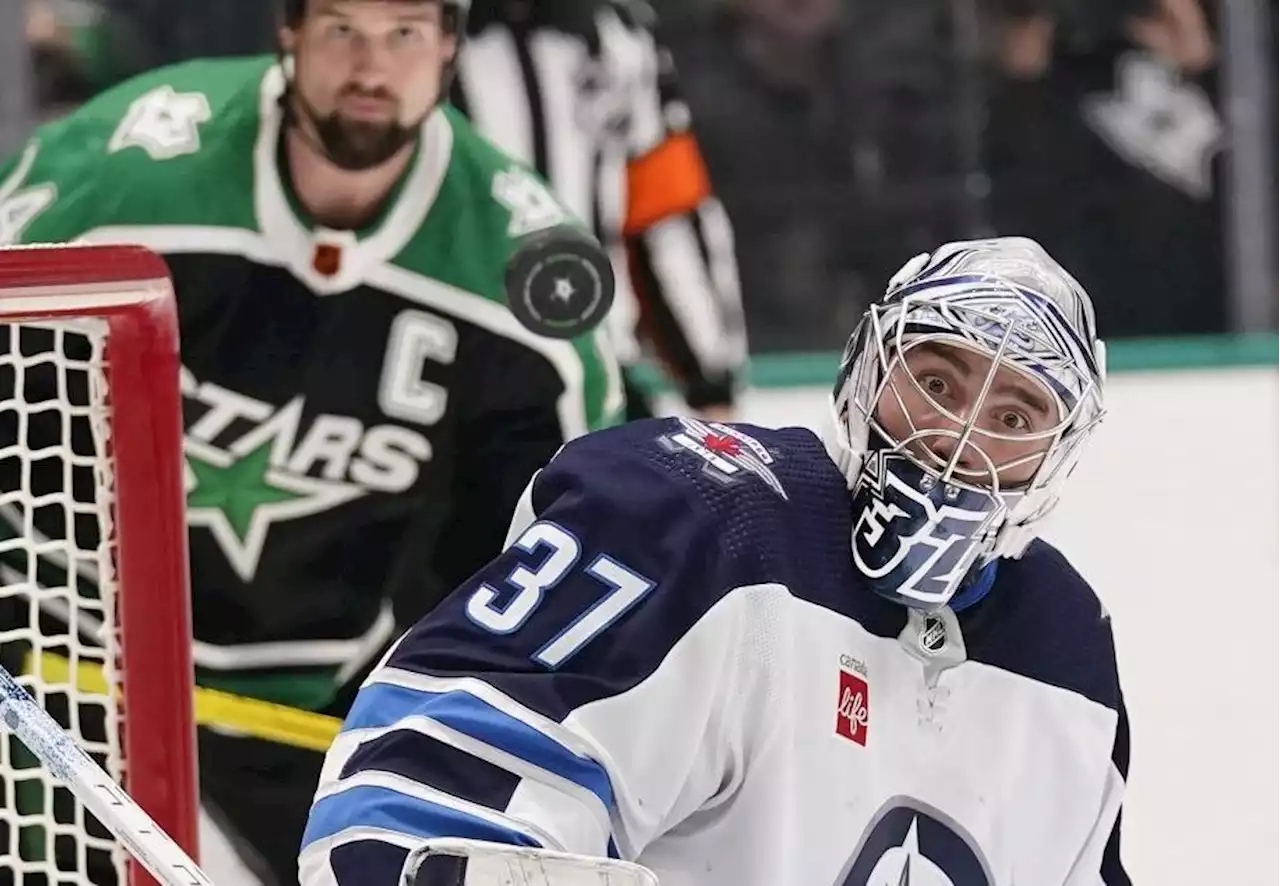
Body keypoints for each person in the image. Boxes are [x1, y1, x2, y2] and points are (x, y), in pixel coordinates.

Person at [0, 0, 620, 882]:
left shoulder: (516, 277)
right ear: (287, 32)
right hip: (72, 670)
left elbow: (529, 560)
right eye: (341, 29)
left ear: (448, 46)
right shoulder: (123, 178)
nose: (371, 68)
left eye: (404, 33)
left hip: (317, 702)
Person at [299, 236, 1131, 886]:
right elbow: (432, 800)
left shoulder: (1068, 657)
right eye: (938, 383)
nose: (956, 439)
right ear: (866, 366)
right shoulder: (697, 515)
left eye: (1016, 417)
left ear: (1056, 458)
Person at [452, 0, 748, 421]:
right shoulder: (414, 26)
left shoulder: (618, 33)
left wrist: (709, 382)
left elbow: (665, 209)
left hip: (596, 363)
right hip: (447, 362)